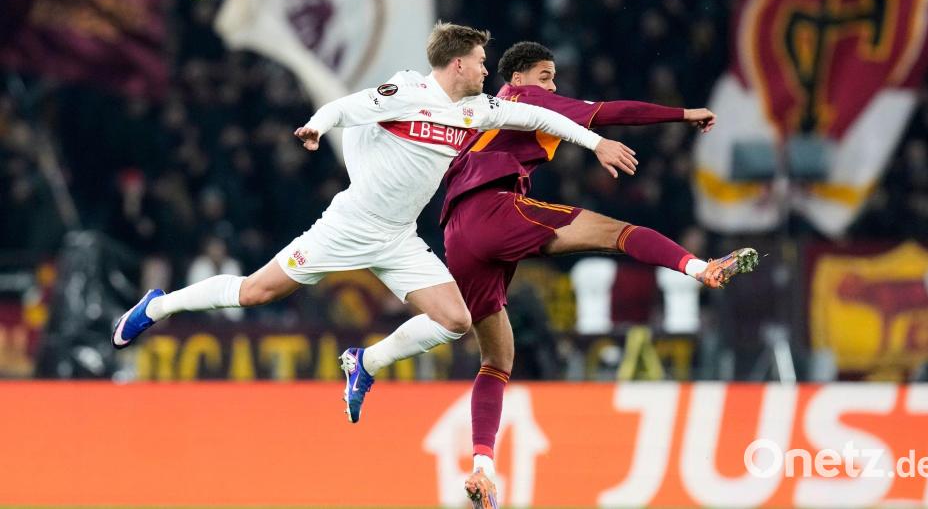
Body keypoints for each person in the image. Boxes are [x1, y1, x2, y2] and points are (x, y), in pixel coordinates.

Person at [110, 23, 639, 423]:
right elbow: (344, 106)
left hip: (398, 238)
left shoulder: (476, 111)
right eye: (479, 62)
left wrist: (595, 143)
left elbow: (538, 116)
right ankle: (159, 304)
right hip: (347, 227)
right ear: (456, 64)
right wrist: (316, 127)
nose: (486, 70)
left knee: (455, 321)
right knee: (254, 293)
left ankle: (365, 362)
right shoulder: (407, 93)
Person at [439, 42, 759, 507]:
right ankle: (702, 268)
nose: (553, 85)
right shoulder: (527, 99)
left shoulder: (480, 109)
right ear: (522, 77)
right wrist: (683, 114)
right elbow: (609, 112)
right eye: (546, 76)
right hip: (495, 210)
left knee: (496, 360)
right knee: (617, 232)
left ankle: (482, 468)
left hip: (455, 234)